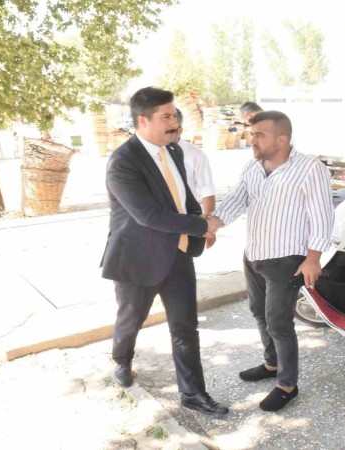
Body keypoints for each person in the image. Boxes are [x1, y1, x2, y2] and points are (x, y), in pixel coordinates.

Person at [101, 86, 228, 417]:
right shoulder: (122, 162)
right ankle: (122, 360)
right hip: (137, 260)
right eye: (167, 117)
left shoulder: (173, 151)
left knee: (185, 327)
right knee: (131, 319)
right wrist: (202, 225)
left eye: (175, 115)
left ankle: (193, 393)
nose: (175, 123)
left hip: (178, 254)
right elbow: (149, 215)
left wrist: (199, 226)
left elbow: (184, 198)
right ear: (143, 121)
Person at [208, 111, 334, 412]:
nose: (252, 141)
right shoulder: (253, 166)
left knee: (278, 322)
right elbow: (237, 200)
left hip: (287, 259)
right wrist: (211, 224)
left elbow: (321, 215)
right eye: (252, 135)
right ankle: (271, 364)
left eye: (259, 135)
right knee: (258, 312)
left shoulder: (309, 168)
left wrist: (314, 258)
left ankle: (287, 385)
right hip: (254, 254)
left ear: (282, 139)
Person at [171, 108, 217, 248]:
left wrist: (208, 227)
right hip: (159, 222)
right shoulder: (153, 155)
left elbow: (207, 191)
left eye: (169, 130)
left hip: (186, 221)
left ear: (179, 130)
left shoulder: (195, 155)